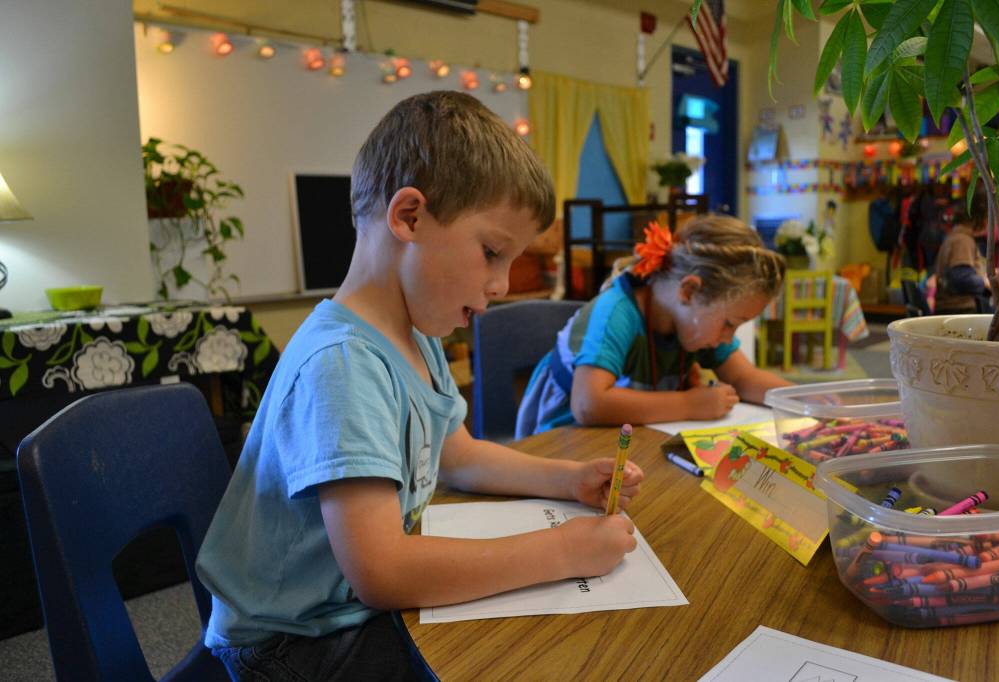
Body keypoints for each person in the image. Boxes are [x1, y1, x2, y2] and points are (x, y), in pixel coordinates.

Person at [196, 91, 643, 681]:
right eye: (491, 253)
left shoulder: (412, 330)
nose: (503, 284)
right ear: (408, 217)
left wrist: (570, 478)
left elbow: (455, 455)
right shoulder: (343, 364)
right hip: (292, 645)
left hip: (343, 613)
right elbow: (383, 572)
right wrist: (563, 552)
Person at [516, 215, 793, 438]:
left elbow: (744, 379)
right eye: (730, 323)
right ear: (688, 292)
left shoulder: (694, 324)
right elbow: (589, 404)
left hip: (629, 439)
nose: (727, 338)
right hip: (566, 442)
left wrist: (808, 401)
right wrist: (690, 404)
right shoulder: (615, 312)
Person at [934, 193, 991, 314]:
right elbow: (961, 279)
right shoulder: (962, 240)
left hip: (957, 308)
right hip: (959, 309)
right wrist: (986, 282)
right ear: (981, 217)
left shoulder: (958, 237)